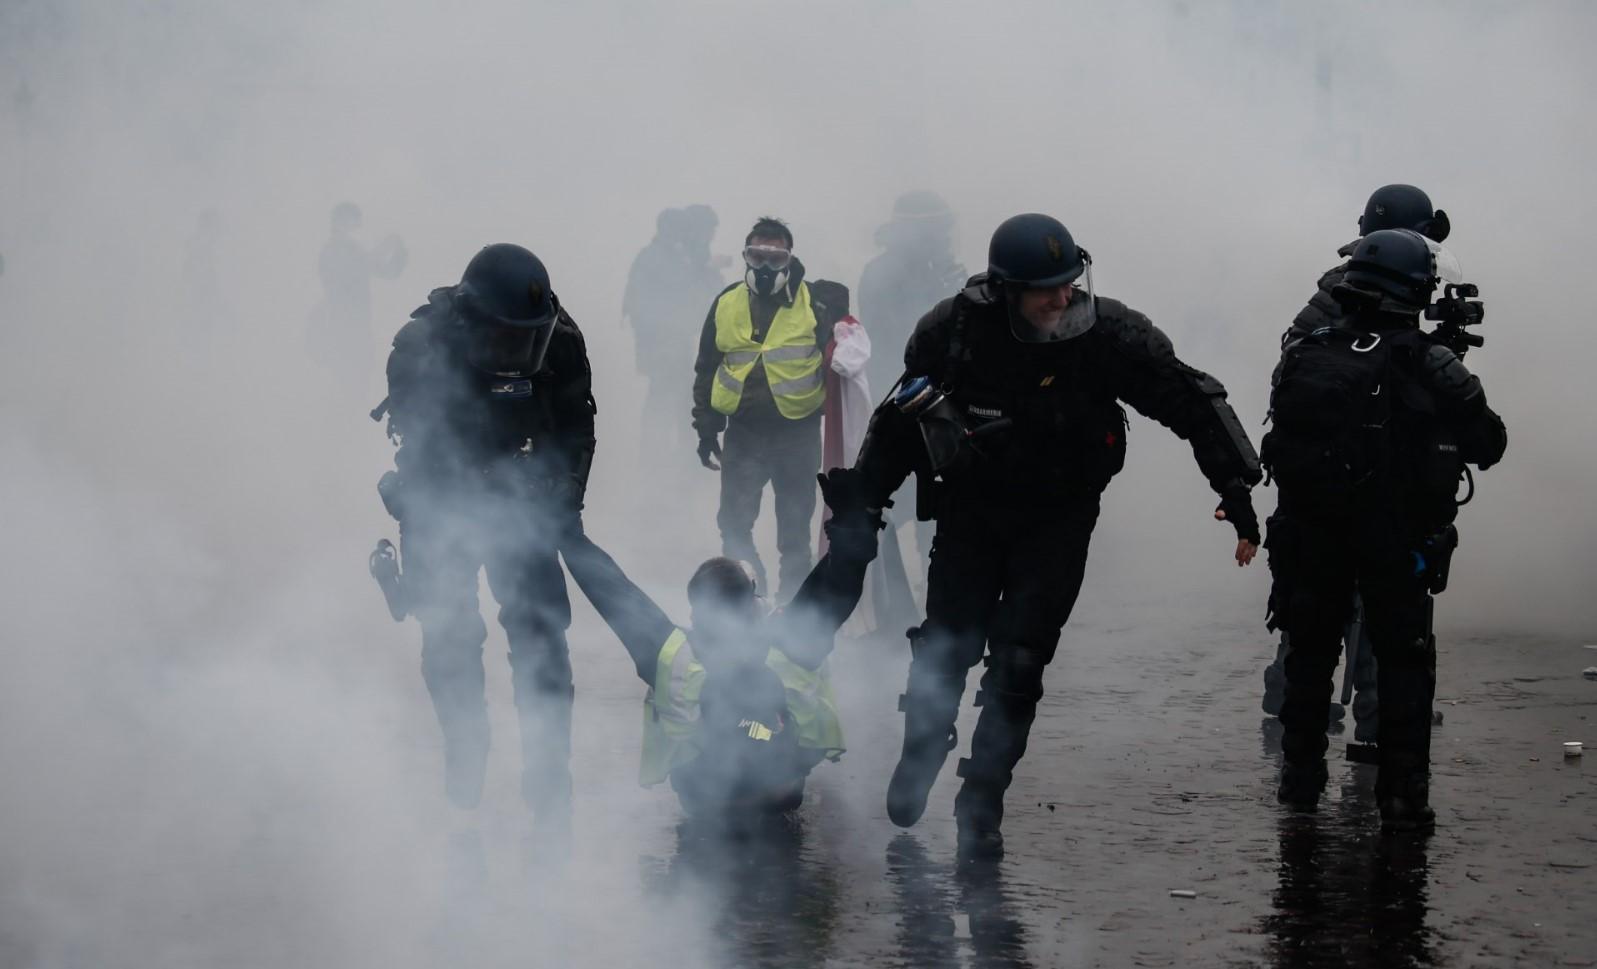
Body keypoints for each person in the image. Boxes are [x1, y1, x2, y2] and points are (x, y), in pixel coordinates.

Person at [850, 213, 1264, 856]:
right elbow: (899, 421)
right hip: (972, 513)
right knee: (946, 650)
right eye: (1046, 288)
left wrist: (1234, 487)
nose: (1062, 298)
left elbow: (1190, 399)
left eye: (1070, 283)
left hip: (1059, 520)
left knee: (1021, 661)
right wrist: (862, 505)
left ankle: (982, 800)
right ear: (1007, 289)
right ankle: (922, 749)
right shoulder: (952, 333)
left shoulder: (1107, 333)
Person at [1262, 227, 1505, 830]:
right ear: (1415, 288)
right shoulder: (1426, 361)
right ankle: (1402, 799)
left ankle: (1298, 786)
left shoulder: (1306, 347)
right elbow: (1490, 442)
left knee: (1310, 657)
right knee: (1404, 664)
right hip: (1393, 539)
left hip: (1312, 531)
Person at [371, 243, 596, 831]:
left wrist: (561, 496)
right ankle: (464, 757)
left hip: (521, 493)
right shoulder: (421, 348)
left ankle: (550, 770)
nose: (516, 353)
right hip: (442, 491)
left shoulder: (562, 340)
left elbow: (577, 428)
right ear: (472, 320)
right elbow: (426, 447)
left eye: (527, 338)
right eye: (503, 337)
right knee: (449, 630)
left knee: (541, 629)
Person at [556, 469, 883, 819]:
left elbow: (613, 591)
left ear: (698, 613)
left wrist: (567, 533)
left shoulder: (671, 654)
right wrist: (852, 527)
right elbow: (837, 587)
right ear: (755, 606)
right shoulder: (790, 642)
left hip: (707, 800)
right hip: (778, 793)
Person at [1261, 185, 1459, 749]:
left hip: (1328, 473)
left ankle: (1306, 704)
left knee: (1317, 597)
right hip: (1347, 472)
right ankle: (1366, 715)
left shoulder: (1348, 287)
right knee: (1355, 598)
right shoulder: (1352, 296)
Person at [692, 216, 827, 600]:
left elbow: (842, 369)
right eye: (757, 256)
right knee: (733, 527)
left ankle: (792, 612)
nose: (765, 267)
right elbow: (706, 367)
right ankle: (750, 601)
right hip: (744, 434)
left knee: (795, 534)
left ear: (790, 259)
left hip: (797, 436)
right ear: (745, 257)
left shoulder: (815, 303)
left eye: (775, 258)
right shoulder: (726, 302)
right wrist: (705, 428)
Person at [622, 205, 724, 469]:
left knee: (675, 402)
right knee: (667, 403)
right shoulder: (662, 259)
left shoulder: (669, 257)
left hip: (672, 346)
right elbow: (676, 298)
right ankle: (662, 465)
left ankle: (674, 463)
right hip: (665, 346)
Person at [308, 201, 407, 396]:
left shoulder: (350, 249)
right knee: (350, 375)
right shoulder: (335, 250)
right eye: (350, 221)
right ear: (339, 222)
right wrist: (387, 248)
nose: (354, 227)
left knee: (358, 375)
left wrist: (399, 252)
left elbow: (385, 270)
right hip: (344, 325)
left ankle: (351, 407)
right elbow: (360, 269)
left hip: (357, 325)